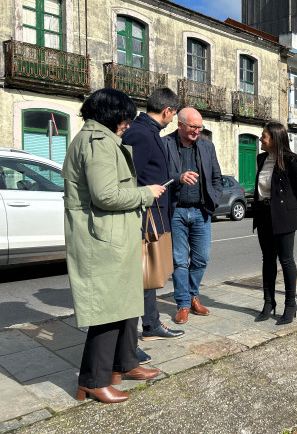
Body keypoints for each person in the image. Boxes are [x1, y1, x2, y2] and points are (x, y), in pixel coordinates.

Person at [62, 88, 164, 403]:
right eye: (125, 119)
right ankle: (93, 380)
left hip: (114, 237)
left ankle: (126, 364)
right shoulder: (97, 144)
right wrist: (146, 194)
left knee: (125, 305)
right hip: (103, 239)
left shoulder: (102, 141)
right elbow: (105, 195)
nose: (127, 125)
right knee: (107, 311)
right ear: (112, 116)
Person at [121, 88, 184, 357]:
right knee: (140, 276)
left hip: (153, 213)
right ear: (167, 111)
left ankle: (151, 324)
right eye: (174, 115)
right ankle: (129, 344)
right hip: (145, 215)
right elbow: (128, 178)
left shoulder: (147, 131)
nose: (173, 120)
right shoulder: (140, 133)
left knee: (147, 275)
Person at [164, 107, 223, 324]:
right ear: (180, 125)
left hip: (201, 211)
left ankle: (191, 295)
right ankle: (183, 304)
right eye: (193, 127)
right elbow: (157, 175)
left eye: (200, 127)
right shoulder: (165, 144)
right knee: (179, 261)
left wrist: (214, 200)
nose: (197, 131)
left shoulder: (207, 146)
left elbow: (217, 176)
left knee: (201, 259)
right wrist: (178, 177)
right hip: (176, 211)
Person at [253, 121, 297, 325]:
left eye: (264, 136)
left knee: (286, 260)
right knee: (268, 260)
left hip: (284, 216)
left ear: (275, 138)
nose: (260, 139)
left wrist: (289, 213)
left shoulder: (291, 160)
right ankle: (268, 302)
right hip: (263, 214)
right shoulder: (261, 158)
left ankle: (290, 304)